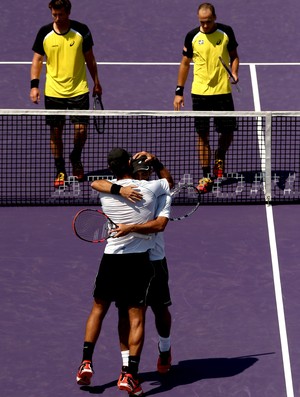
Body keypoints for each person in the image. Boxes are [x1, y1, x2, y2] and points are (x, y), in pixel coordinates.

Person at [76, 148, 171, 396]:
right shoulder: (151, 190)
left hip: (110, 260)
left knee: (99, 308)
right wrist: (156, 160)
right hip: (138, 263)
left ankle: (86, 362)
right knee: (136, 318)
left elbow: (96, 183)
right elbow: (168, 184)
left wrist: (119, 190)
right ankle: (129, 375)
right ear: (132, 164)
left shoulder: (106, 193)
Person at [30, 0, 102, 188]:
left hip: (79, 89)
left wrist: (97, 82)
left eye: (61, 14)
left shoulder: (81, 31)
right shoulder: (44, 33)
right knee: (56, 132)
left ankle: (75, 156)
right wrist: (34, 85)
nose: (58, 18)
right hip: (53, 91)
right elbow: (37, 59)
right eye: (54, 14)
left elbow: (90, 58)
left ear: (68, 12)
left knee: (81, 130)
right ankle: (60, 169)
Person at [173, 2, 239, 193]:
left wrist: (234, 72)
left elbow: (234, 56)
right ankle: (206, 174)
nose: (205, 26)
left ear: (215, 18)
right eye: (202, 22)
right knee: (202, 134)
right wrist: (179, 91)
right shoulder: (192, 36)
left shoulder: (226, 32)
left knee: (227, 133)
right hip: (200, 93)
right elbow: (185, 63)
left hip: (222, 92)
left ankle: (220, 154)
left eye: (208, 22)